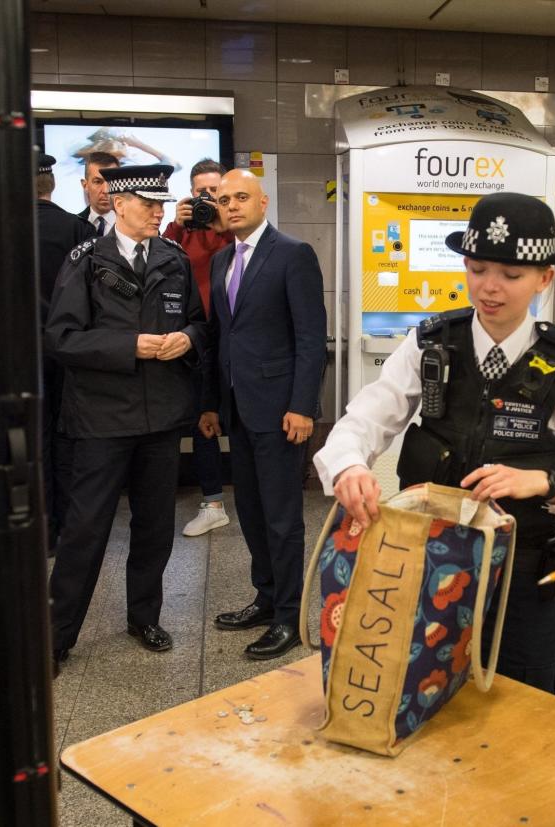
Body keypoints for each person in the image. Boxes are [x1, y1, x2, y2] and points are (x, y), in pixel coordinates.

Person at [315, 193, 555, 695]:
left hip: (525, 578)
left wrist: (544, 483)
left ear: (545, 277)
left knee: (522, 713)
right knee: (423, 695)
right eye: (478, 269)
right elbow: (363, 420)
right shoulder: (433, 344)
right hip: (428, 565)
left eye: (511, 274)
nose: (490, 287)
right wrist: (349, 466)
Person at [45, 164, 206, 673]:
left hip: (160, 417)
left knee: (155, 526)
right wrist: (128, 345)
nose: (160, 211)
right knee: (85, 529)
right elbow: (62, 338)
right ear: (118, 204)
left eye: (162, 203)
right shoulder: (87, 260)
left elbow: (201, 324)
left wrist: (189, 340)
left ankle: (144, 617)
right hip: (101, 419)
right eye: (148, 203)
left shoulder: (173, 258)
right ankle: (56, 636)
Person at [200, 169, 326, 660]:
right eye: (223, 198)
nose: (232, 206)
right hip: (237, 407)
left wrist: (302, 406)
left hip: (280, 412)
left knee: (280, 516)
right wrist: (210, 402)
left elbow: (310, 338)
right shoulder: (220, 261)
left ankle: (290, 618)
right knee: (250, 512)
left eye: (241, 197)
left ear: (263, 201)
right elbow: (218, 337)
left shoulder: (293, 255)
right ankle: (266, 597)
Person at [163, 159, 235, 537]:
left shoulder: (233, 228)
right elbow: (160, 266)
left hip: (231, 336)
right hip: (193, 336)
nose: (208, 199)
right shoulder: (180, 231)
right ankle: (212, 501)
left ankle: (251, 494)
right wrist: (176, 223)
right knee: (200, 419)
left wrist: (221, 222)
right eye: (201, 193)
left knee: (238, 415)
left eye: (215, 192)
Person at [35, 152, 95, 551]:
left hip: (18, 356)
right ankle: (67, 529)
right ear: (52, 184)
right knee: (67, 439)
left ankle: (40, 526)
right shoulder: (76, 229)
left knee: (31, 439)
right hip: (69, 351)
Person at [76, 151, 120, 237]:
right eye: (98, 182)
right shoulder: (74, 225)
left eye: (111, 182)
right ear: (85, 185)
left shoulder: (133, 226)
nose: (106, 190)